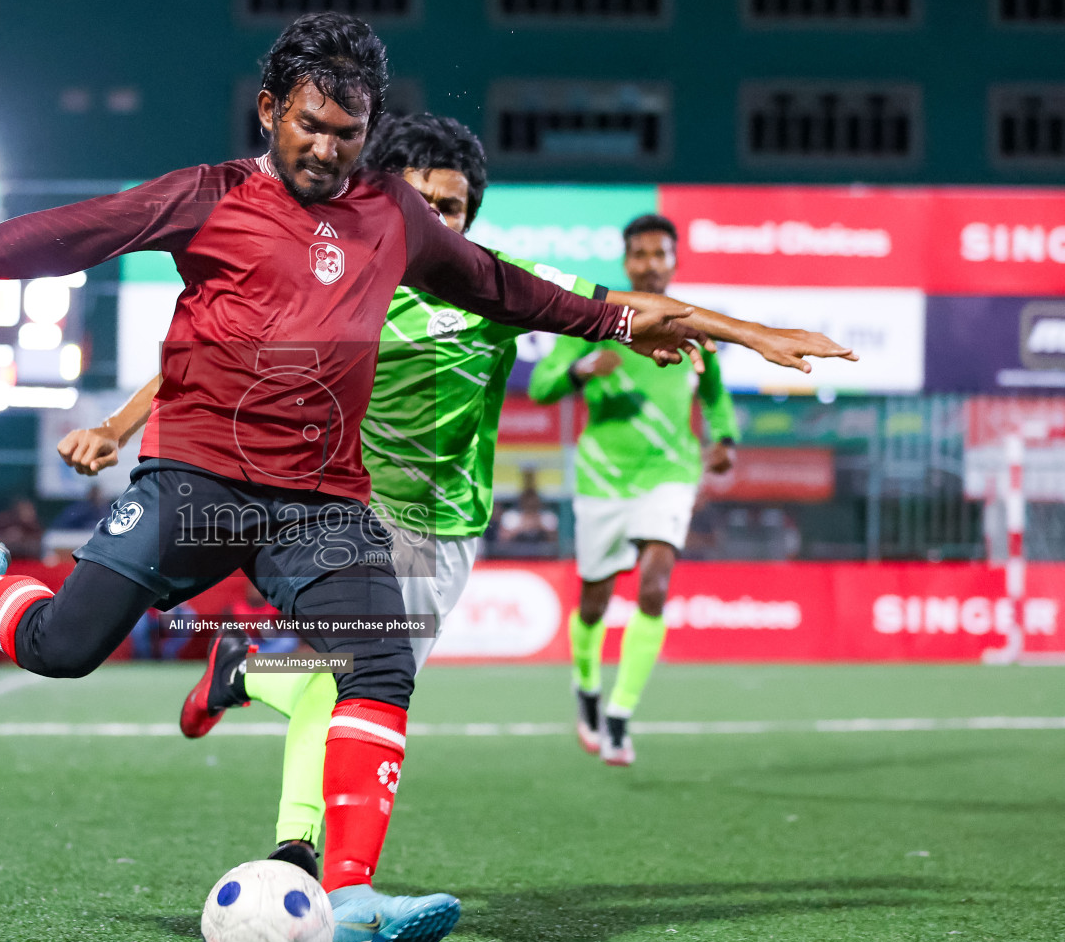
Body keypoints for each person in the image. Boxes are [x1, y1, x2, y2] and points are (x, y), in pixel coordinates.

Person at [0, 13, 847, 942]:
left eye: (350, 134)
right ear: (271, 112)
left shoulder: (393, 217)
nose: (328, 150)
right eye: (312, 127)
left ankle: (345, 894)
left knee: (376, 658)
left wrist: (731, 330)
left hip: (319, 505)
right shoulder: (208, 195)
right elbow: (61, 237)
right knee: (63, 648)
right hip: (199, 484)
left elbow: (530, 295)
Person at [62, 113, 845, 881]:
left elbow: (630, 309)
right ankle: (300, 855)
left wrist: (752, 333)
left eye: (454, 208)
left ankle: (244, 673)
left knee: (339, 676)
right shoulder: (330, 278)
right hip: (349, 512)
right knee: (356, 683)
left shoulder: (488, 283)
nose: (436, 219)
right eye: (423, 202)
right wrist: (118, 426)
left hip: (448, 528)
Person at [529, 214, 740, 766]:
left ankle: (621, 714)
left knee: (654, 583)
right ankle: (587, 684)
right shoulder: (592, 323)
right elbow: (541, 385)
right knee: (594, 601)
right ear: (626, 263)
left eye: (660, 254)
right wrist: (580, 372)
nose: (650, 264)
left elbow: (715, 395)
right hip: (603, 478)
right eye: (640, 255)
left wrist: (726, 440)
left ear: (674, 261)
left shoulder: (695, 326)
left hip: (670, 474)